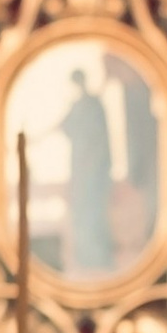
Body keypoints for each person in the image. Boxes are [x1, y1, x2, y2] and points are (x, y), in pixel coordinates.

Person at [58, 68, 115, 279]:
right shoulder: (78, 105)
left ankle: (98, 258)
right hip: (81, 169)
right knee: (81, 213)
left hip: (95, 170)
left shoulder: (93, 104)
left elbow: (101, 138)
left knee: (94, 213)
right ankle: (85, 258)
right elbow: (64, 126)